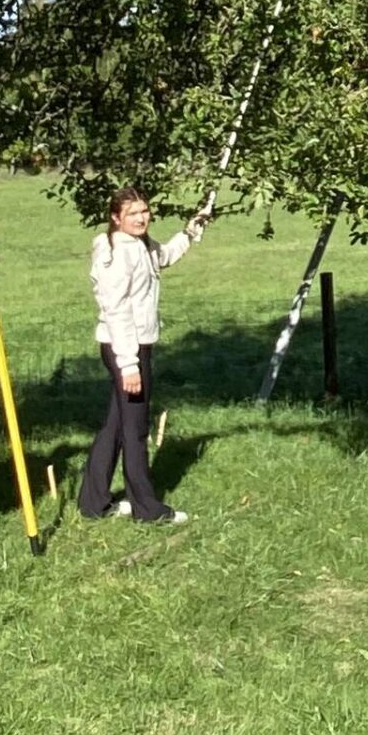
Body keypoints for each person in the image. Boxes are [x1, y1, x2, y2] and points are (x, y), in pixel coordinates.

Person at [79, 184, 209, 523]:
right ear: (115, 218)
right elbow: (116, 309)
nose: (141, 218)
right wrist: (129, 364)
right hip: (126, 348)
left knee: (115, 423)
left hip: (134, 346)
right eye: (132, 213)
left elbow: (162, 257)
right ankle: (147, 510)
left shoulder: (140, 245)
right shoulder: (117, 253)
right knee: (135, 431)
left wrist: (191, 230)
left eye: (144, 211)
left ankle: (94, 501)